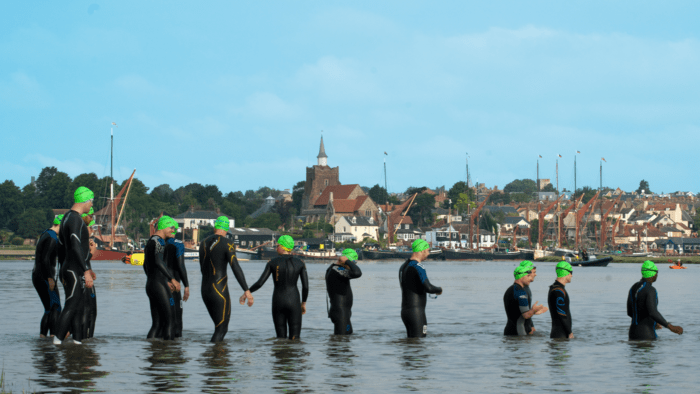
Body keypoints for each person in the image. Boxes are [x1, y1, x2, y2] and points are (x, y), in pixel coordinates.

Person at [199, 216, 253, 342]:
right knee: (221, 328)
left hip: (205, 289)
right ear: (226, 229)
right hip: (219, 290)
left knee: (218, 326)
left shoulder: (203, 243)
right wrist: (246, 290)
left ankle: (212, 357)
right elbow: (236, 267)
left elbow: (202, 268)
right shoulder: (228, 243)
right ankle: (217, 359)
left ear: (215, 227)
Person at [54, 187, 96, 345]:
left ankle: (77, 344)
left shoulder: (67, 217)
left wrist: (61, 270)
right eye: (91, 201)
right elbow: (75, 245)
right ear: (85, 200)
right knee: (71, 306)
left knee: (78, 307)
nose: (91, 205)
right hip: (73, 269)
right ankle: (56, 344)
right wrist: (85, 270)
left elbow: (61, 247)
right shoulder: (75, 218)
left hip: (70, 268)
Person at [246, 234, 308, 340]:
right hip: (294, 301)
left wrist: (247, 291)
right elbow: (305, 287)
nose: (276, 247)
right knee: (295, 338)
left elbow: (260, 283)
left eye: (278, 245)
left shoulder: (272, 262)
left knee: (280, 338)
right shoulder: (300, 263)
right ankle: (295, 356)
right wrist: (303, 303)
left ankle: (280, 355)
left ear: (282, 247)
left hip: (278, 301)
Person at [144, 216, 181, 340]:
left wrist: (155, 279)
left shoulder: (151, 241)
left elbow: (146, 265)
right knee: (171, 321)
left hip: (152, 284)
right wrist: (172, 279)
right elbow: (159, 262)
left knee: (157, 324)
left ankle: (152, 351)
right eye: (171, 228)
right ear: (164, 226)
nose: (173, 230)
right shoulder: (159, 241)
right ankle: (168, 354)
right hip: (159, 285)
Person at [627, 261, 683, 340]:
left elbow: (630, 312)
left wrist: (653, 322)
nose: (657, 274)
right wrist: (671, 327)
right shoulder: (651, 290)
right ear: (652, 273)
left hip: (632, 333)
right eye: (656, 272)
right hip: (646, 334)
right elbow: (653, 312)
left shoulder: (633, 287)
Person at [398, 239, 442, 338]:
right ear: (421, 251)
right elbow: (428, 287)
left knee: (412, 346)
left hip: (405, 312)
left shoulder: (403, 266)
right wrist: (439, 289)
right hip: (416, 313)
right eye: (427, 251)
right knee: (420, 345)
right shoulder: (418, 266)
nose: (428, 254)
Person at [32, 214, 63, 337]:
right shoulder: (52, 238)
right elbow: (45, 259)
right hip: (45, 276)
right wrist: (50, 278)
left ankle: (43, 338)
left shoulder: (45, 233)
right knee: (56, 307)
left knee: (48, 309)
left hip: (38, 275)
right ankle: (52, 337)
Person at [503, 261, 548, 336]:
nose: (530, 278)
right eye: (528, 276)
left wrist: (534, 314)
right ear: (521, 276)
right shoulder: (521, 292)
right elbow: (526, 315)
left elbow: (517, 311)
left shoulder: (511, 289)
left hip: (510, 331)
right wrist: (534, 310)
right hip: (519, 332)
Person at [325, 248, 362, 335]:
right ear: (343, 261)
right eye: (352, 263)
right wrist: (347, 261)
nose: (353, 265)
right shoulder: (336, 270)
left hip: (343, 312)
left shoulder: (338, 270)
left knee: (346, 339)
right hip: (340, 312)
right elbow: (357, 273)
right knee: (341, 342)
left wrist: (348, 262)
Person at [165, 222, 189, 338]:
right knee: (177, 317)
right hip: (174, 285)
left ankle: (158, 348)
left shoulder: (157, 243)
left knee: (162, 319)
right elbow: (181, 266)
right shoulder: (178, 244)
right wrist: (187, 286)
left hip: (160, 284)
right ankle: (176, 350)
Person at [548, 261, 574, 339]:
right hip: (560, 335)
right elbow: (561, 314)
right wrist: (569, 332)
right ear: (565, 273)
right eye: (570, 272)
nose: (571, 275)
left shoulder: (555, 288)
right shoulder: (558, 291)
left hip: (559, 333)